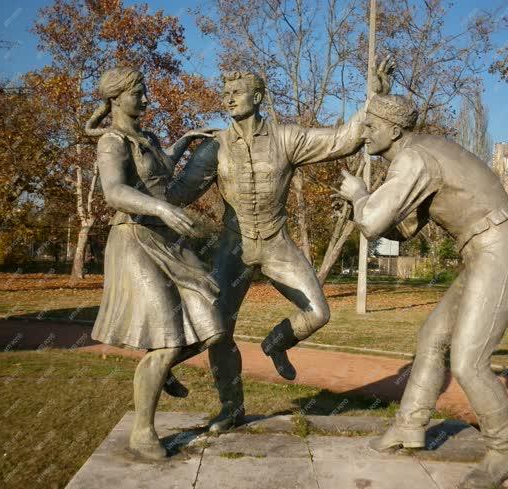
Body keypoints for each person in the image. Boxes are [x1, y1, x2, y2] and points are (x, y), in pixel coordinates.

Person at [167, 59, 395, 433]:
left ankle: (275, 343)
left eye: (236, 93)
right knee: (219, 330)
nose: (228, 99)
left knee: (318, 313)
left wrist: (375, 97)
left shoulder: (286, 138)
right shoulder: (215, 147)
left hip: (277, 245)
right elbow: (177, 194)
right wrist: (171, 153)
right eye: (225, 93)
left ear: (258, 97)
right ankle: (231, 408)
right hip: (232, 249)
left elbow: (343, 139)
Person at [336, 93, 508, 489]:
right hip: (483, 250)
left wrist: (359, 195)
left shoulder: (414, 158)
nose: (363, 133)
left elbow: (373, 223)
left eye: (370, 126)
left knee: (468, 362)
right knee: (431, 337)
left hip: (498, 248)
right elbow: (404, 228)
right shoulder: (419, 154)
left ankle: (503, 454)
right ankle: (409, 428)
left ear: (394, 130)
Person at [85, 67, 225, 460]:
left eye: (145, 93)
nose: (146, 100)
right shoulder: (111, 141)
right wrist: (160, 209)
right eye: (139, 94)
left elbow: (160, 173)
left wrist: (184, 141)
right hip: (133, 239)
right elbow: (115, 191)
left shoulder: (146, 137)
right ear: (116, 99)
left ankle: (160, 369)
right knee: (164, 338)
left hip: (164, 239)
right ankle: (142, 433)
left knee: (212, 323)